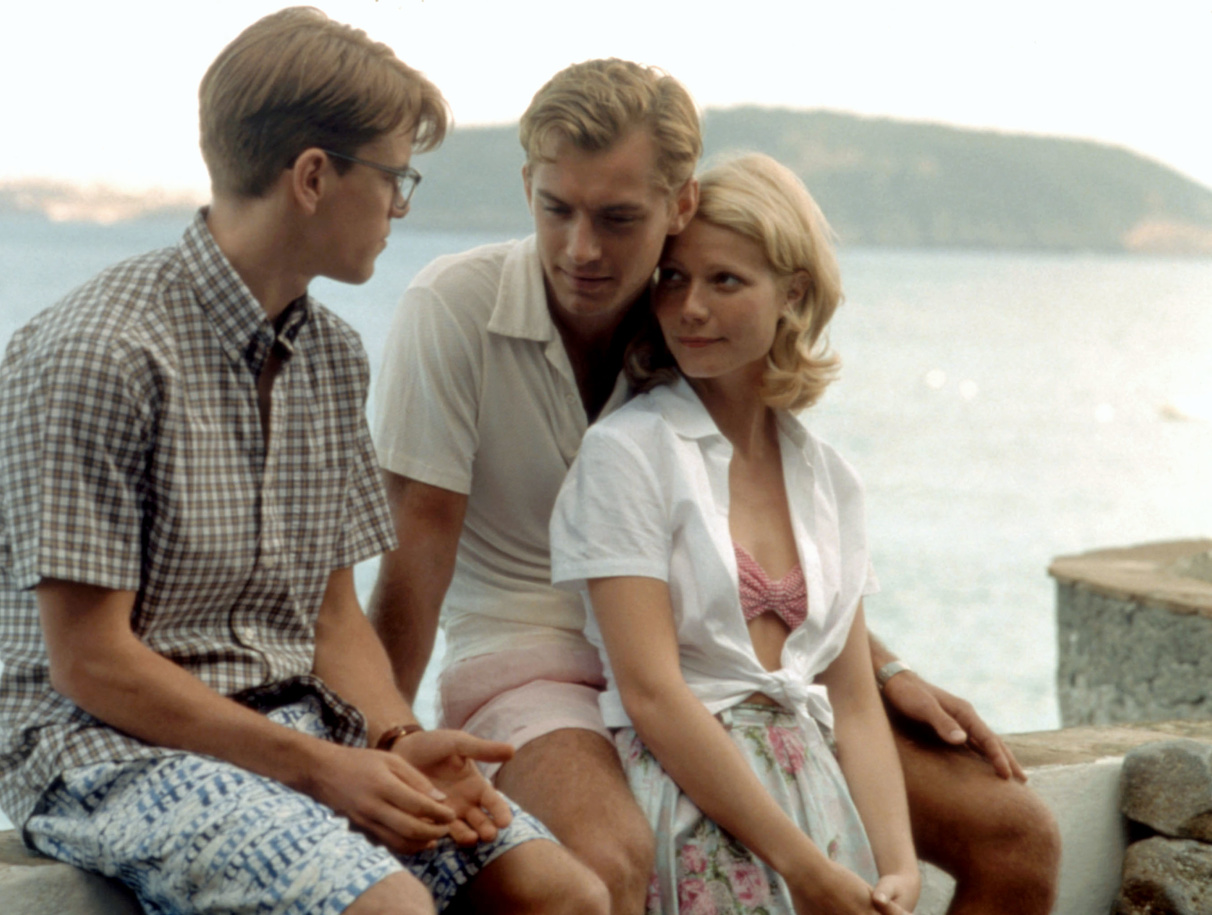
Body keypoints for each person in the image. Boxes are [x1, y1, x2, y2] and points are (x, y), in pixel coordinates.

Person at [369, 60, 1060, 915]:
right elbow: (418, 543)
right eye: (556, 209)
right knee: (605, 861)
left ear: (680, 205)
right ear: (527, 187)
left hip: (706, 657)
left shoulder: (683, 322)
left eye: (620, 219)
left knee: (1017, 831)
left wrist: (882, 666)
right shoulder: (455, 306)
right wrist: (380, 741)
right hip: (537, 660)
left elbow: (744, 527)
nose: (582, 249)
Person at [0, 9, 606, 915]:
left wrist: (393, 737)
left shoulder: (332, 354)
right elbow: (90, 664)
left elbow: (334, 615)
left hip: (295, 726)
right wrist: (323, 770)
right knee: (390, 906)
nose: (400, 205)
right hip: (103, 751)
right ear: (314, 176)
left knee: (559, 894)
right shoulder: (99, 352)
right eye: (394, 176)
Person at [550, 152, 918, 914]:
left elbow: (851, 700)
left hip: (821, 809)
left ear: (794, 293)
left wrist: (899, 863)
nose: (688, 308)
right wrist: (802, 867)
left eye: (725, 281)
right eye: (674, 278)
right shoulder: (630, 452)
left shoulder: (828, 479)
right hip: (696, 811)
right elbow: (652, 693)